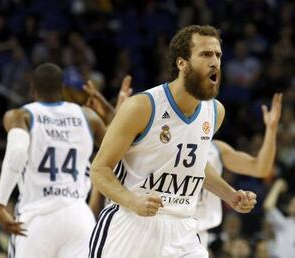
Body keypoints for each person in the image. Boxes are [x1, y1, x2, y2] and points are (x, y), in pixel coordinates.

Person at [88, 25, 256, 258]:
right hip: (131, 225)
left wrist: (229, 194)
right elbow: (99, 169)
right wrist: (133, 201)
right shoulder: (142, 107)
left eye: (218, 55)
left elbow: (192, 163)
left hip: (182, 229)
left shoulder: (215, 112)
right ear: (182, 63)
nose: (215, 61)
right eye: (206, 54)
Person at [0, 62, 107, 258]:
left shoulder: (20, 115)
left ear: (32, 90)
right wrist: (111, 111)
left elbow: (17, 151)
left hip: (37, 216)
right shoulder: (88, 117)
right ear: (62, 89)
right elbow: (119, 151)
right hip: (78, 216)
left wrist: (0, 204)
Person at [195, 93, 282, 247]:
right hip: (166, 226)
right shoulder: (169, 145)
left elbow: (260, 168)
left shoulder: (216, 149)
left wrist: (271, 130)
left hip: (199, 236)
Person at [263, 178, 295, 258]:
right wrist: (277, 186)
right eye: (292, 203)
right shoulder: (286, 223)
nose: (292, 204)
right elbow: (268, 206)